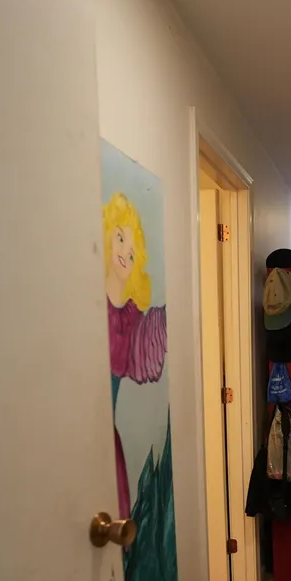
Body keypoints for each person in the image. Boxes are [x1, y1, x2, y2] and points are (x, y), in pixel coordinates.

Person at [102, 191, 167, 518]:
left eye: (131, 249)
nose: (125, 253)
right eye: (119, 238)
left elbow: (147, 344)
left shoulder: (130, 320)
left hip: (108, 444)